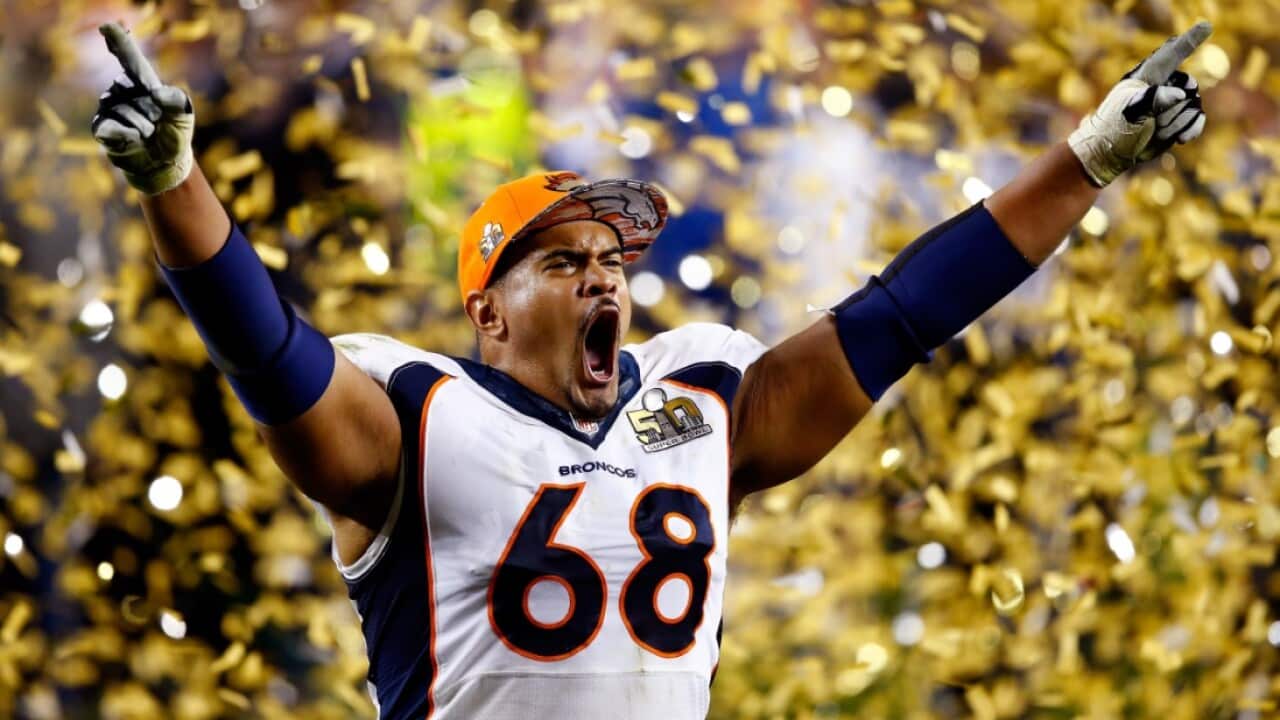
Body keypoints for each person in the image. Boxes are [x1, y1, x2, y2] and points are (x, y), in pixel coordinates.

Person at [90, 19, 1210, 720]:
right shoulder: (413, 415)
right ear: (486, 315)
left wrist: (1086, 161)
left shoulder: (700, 393)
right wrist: (172, 181)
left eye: (614, 261)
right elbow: (266, 350)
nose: (605, 281)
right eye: (564, 262)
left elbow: (899, 318)